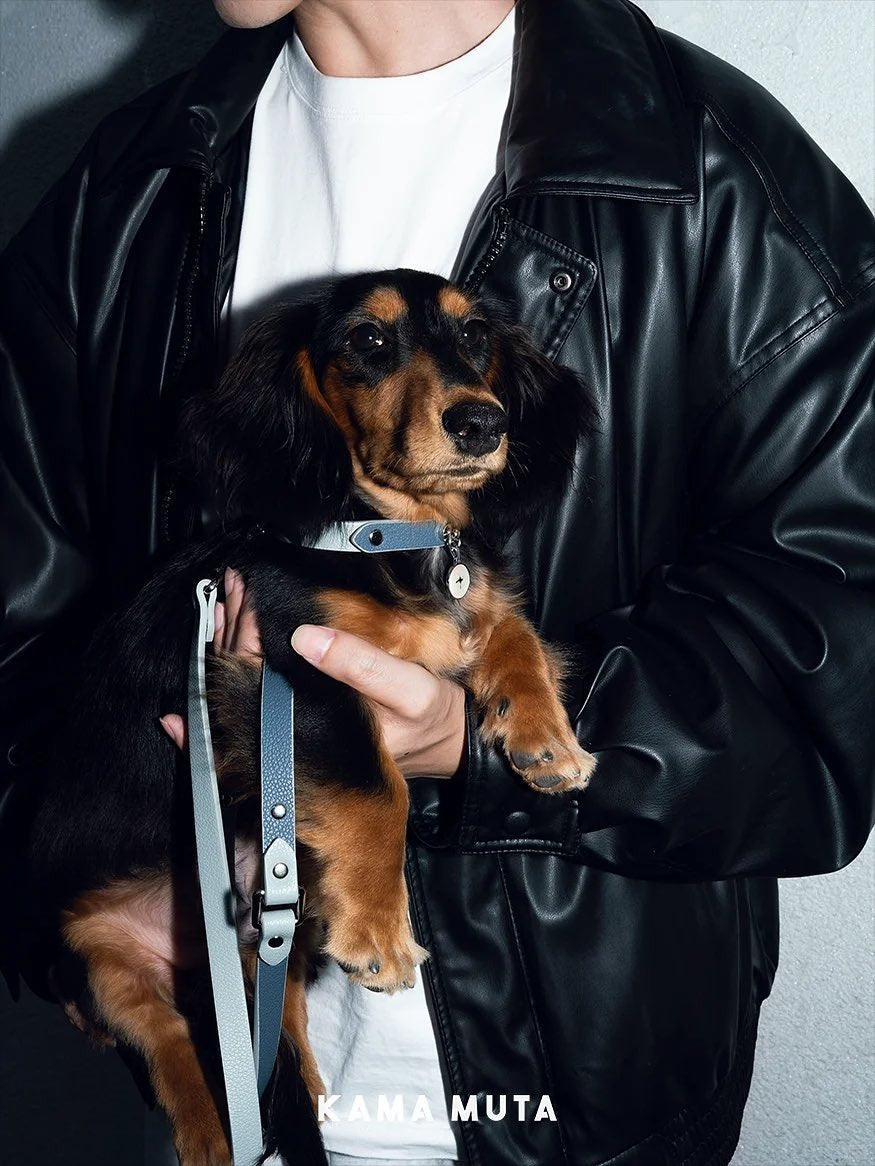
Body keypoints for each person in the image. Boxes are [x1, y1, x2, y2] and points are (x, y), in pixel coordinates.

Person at [1, 1, 874, 1164]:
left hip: (579, 1092)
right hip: (237, 1083)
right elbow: (25, 616)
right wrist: (79, 887)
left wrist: (486, 743)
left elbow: (833, 653)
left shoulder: (714, 176)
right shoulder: (133, 185)